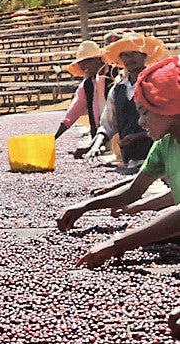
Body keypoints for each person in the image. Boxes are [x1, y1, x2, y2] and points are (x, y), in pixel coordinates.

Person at [73, 55, 180, 271]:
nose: (140, 122)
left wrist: (117, 243)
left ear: (170, 108)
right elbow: (135, 189)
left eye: (145, 112)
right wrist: (84, 207)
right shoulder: (166, 144)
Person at [97, 33, 165, 166]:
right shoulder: (117, 90)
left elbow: (169, 124)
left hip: (159, 159)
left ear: (144, 55)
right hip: (130, 160)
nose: (129, 59)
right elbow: (108, 124)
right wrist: (97, 143)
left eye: (134, 53)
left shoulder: (157, 84)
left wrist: (138, 136)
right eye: (125, 55)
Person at [54, 40, 114, 150]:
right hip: (98, 140)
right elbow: (72, 114)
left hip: (118, 137)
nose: (84, 67)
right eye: (81, 64)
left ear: (97, 59)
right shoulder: (87, 86)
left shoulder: (114, 75)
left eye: (87, 62)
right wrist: (53, 138)